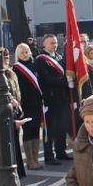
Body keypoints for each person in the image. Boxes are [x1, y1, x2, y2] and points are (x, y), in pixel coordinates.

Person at [37, 34, 72, 165]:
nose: (54, 45)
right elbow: (46, 79)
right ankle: (49, 155)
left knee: (61, 127)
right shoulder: (41, 60)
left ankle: (61, 152)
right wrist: (64, 81)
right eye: (51, 43)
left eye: (56, 42)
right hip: (50, 98)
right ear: (44, 44)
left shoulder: (58, 57)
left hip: (62, 98)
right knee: (50, 129)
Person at [12, 43, 43, 170]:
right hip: (26, 103)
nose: (25, 54)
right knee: (28, 130)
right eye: (22, 52)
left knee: (36, 129)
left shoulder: (34, 66)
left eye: (27, 52)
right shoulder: (16, 68)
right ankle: (30, 160)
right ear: (18, 54)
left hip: (37, 102)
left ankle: (35, 158)